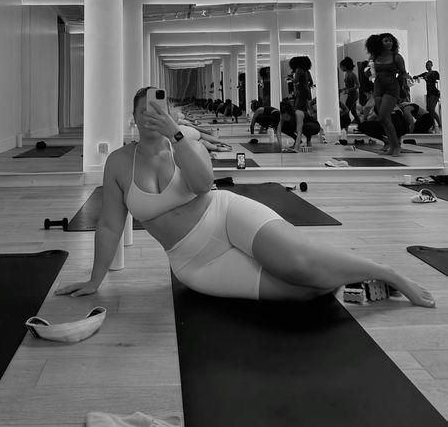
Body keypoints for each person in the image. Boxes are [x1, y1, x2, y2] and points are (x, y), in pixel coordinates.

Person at [56, 86, 434, 307]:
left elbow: (204, 184)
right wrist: (94, 280)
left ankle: (386, 273)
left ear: (171, 115)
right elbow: (108, 226)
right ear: (134, 118)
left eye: (160, 110)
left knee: (300, 266)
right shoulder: (120, 163)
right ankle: (354, 282)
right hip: (193, 263)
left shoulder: (184, 142)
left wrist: (176, 134)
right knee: (303, 293)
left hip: (225, 216)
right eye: (144, 112)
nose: (151, 116)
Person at [365, 33, 411, 157]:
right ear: (380, 43)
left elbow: (402, 73)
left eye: (391, 41)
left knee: (383, 117)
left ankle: (396, 146)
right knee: (385, 120)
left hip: (392, 88)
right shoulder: (374, 56)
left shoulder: (396, 57)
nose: (389, 43)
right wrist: (368, 72)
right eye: (386, 41)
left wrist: (406, 82)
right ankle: (392, 145)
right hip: (378, 87)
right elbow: (368, 72)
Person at [413, 61, 442, 129]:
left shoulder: (434, 73)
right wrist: (415, 77)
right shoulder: (425, 74)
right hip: (429, 93)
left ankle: (439, 124)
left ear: (431, 65)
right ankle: (433, 125)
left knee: (431, 109)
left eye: (428, 65)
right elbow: (417, 76)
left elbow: (441, 78)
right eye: (426, 65)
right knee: (429, 110)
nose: (427, 66)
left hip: (434, 93)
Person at [339, 57, 361, 126]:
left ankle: (345, 125)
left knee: (346, 110)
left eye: (341, 66)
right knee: (353, 111)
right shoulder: (346, 74)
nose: (341, 68)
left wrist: (348, 90)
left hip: (354, 95)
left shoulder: (352, 74)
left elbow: (358, 85)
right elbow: (348, 86)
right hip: (351, 95)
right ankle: (360, 125)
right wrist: (343, 89)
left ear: (345, 66)